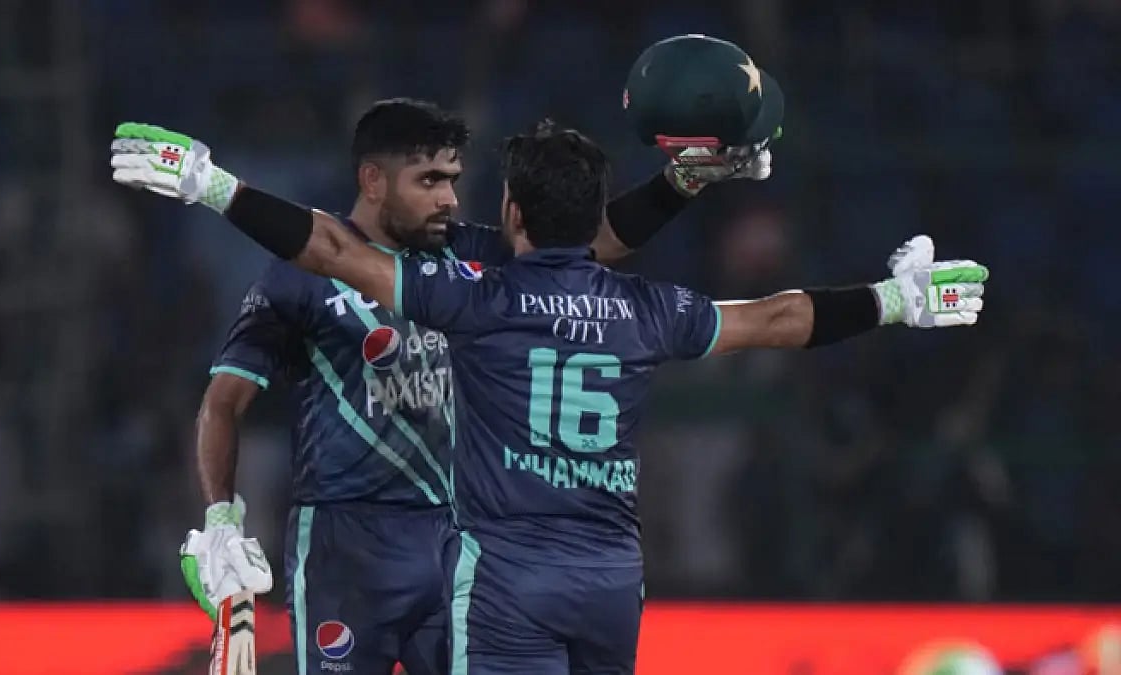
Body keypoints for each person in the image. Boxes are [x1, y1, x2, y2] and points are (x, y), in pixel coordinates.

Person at [111, 116, 986, 674]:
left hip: (499, 575)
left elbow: (335, 255)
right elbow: (781, 317)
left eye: (467, 185)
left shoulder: (478, 296)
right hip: (599, 574)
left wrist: (210, 186)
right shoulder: (647, 309)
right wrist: (896, 301)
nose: (453, 199)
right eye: (434, 180)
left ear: (514, 217)